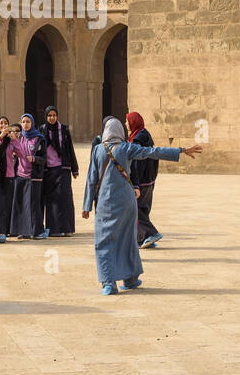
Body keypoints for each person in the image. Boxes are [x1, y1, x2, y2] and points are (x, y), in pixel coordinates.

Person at [81, 117, 200, 295]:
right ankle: (130, 279)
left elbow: (91, 179)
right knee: (128, 239)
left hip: (106, 203)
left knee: (104, 241)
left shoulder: (98, 150)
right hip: (127, 202)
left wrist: (87, 205)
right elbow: (153, 152)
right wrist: (181, 150)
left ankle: (109, 283)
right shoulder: (126, 148)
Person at [40, 106, 79, 237]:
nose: (52, 118)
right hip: (48, 169)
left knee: (65, 198)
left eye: (54, 115)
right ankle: (54, 229)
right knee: (51, 199)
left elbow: (70, 148)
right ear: (46, 117)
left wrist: (75, 168)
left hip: (63, 168)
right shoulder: (42, 130)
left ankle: (67, 228)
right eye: (49, 115)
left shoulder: (64, 129)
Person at [127, 112, 164, 249]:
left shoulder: (137, 140)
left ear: (133, 122)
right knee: (143, 209)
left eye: (127, 121)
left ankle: (152, 233)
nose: (126, 124)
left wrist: (135, 183)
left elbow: (135, 164)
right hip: (149, 180)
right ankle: (143, 239)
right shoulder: (147, 136)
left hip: (140, 182)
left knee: (135, 210)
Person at [8, 114, 47, 239]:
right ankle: (22, 230)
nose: (25, 124)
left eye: (28, 122)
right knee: (20, 203)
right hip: (20, 175)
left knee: (34, 204)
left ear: (32, 123)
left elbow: (44, 159)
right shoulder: (19, 138)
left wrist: (34, 158)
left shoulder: (39, 139)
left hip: (33, 176)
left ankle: (37, 231)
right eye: (23, 122)